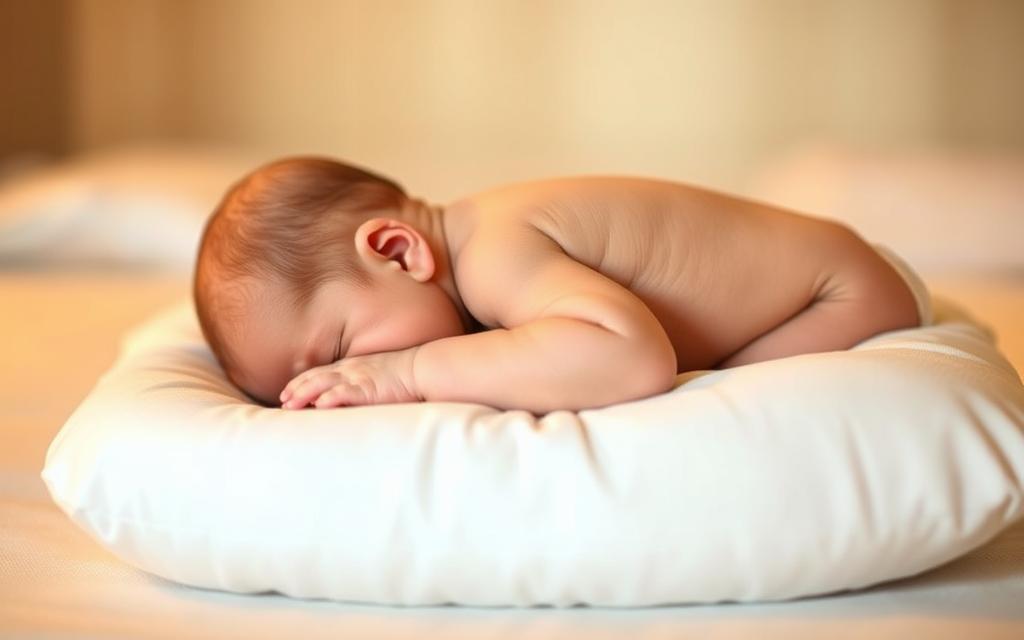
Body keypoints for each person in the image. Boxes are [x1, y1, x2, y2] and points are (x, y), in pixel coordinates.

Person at [193, 156, 928, 414]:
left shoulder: (493, 253)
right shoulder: (472, 249)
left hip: (846, 292)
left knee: (700, 400)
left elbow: (630, 358)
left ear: (396, 249)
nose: (350, 379)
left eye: (341, 349)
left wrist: (409, 371)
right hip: (834, 279)